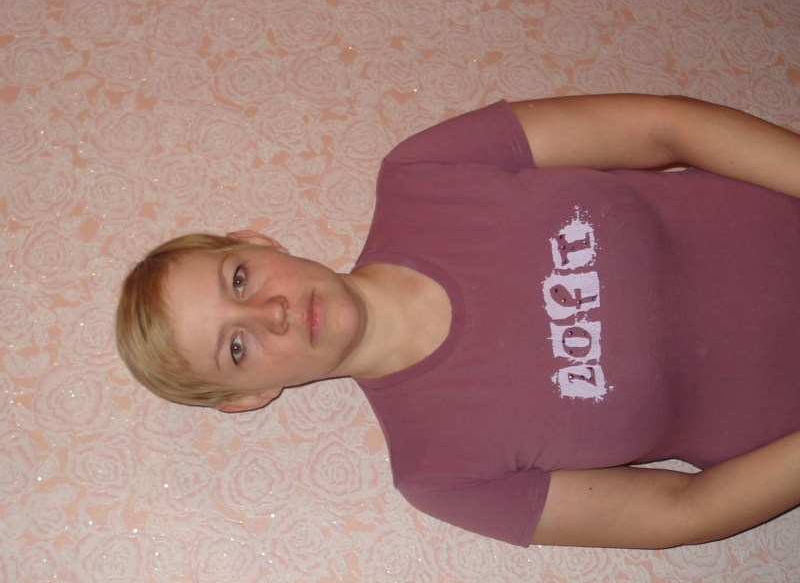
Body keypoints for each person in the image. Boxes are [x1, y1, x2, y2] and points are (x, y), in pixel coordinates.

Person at [116, 94, 800, 549]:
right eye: (236, 348)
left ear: (257, 242)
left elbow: (663, 128)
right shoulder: (440, 473)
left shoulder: (424, 171)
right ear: (249, 397)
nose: (271, 312)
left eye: (240, 278)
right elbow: (679, 513)